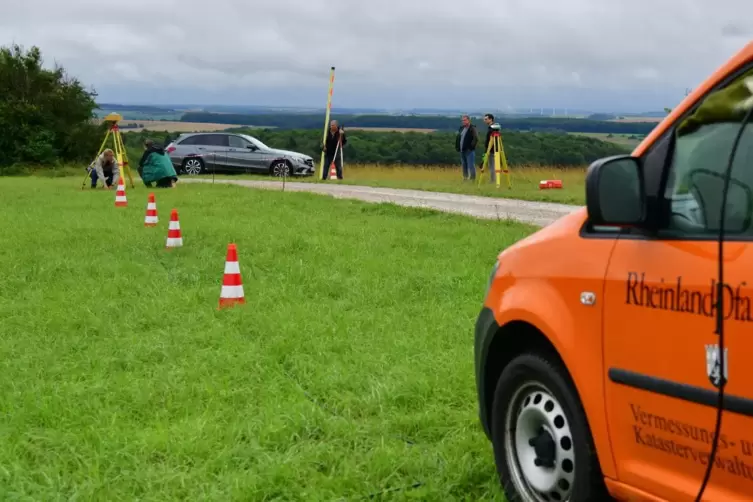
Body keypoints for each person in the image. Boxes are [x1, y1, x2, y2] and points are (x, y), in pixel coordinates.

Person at [455, 115, 478, 180]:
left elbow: (475, 139)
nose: (463, 121)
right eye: (462, 120)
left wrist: (471, 147)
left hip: (469, 150)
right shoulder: (461, 128)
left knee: (471, 165)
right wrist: (457, 147)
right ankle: (465, 178)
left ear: (468, 120)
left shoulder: (472, 128)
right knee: (464, 165)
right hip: (462, 150)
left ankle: (472, 179)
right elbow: (459, 138)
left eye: (465, 120)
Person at [482, 113, 501, 183]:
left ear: (491, 119)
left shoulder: (492, 129)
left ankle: (493, 180)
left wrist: (488, 149)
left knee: (492, 166)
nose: (485, 121)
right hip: (493, 149)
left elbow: (492, 140)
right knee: (492, 166)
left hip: (492, 149)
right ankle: (493, 180)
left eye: (486, 119)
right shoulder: (492, 128)